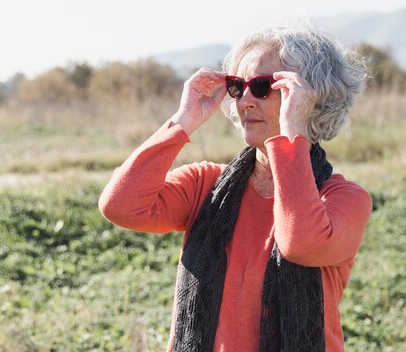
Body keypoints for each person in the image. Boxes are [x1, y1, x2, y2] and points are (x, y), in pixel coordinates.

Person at [98, 26, 372, 352]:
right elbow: (120, 205)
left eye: (262, 86)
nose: (245, 100)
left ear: (312, 99)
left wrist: (291, 133)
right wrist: (184, 119)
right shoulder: (206, 186)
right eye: (237, 86)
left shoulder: (343, 199)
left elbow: (300, 242)